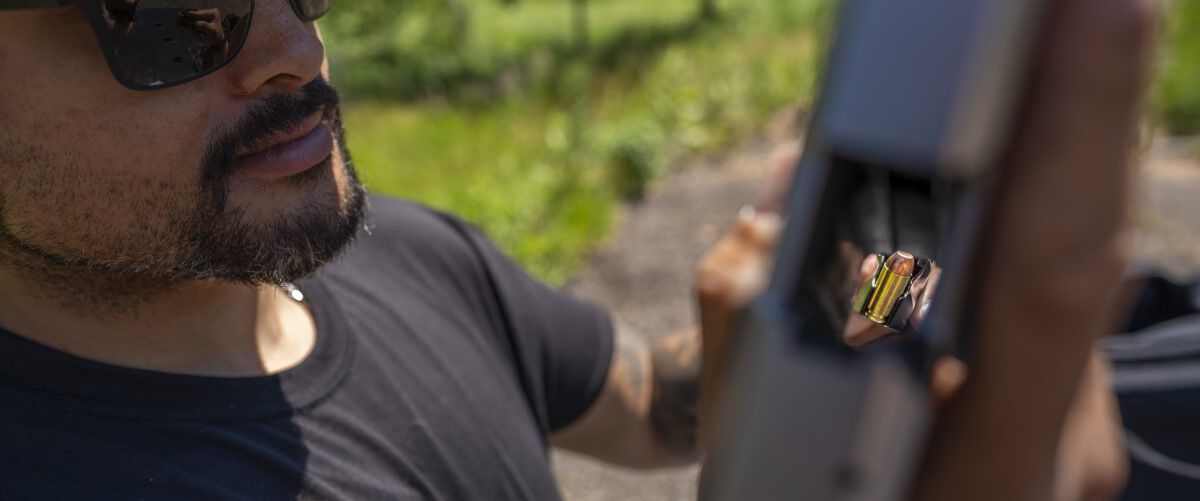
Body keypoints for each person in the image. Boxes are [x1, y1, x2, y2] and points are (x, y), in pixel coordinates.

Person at [0, 0, 1152, 499]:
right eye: (171, 19)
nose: (296, 49)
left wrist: (877, 298)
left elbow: (652, 407)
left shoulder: (393, 252)